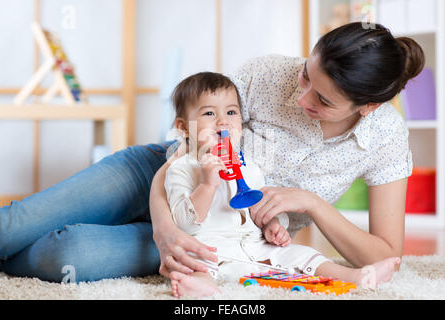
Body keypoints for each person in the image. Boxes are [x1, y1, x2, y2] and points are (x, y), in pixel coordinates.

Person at [0, 22, 423, 284]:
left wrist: (309, 203)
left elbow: (386, 255)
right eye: (305, 76)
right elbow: (182, 148)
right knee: (14, 224)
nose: (301, 96)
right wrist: (163, 229)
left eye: (323, 101)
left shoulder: (384, 137)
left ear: (366, 107)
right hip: (161, 174)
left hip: (221, 236)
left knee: (67, 255)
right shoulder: (267, 73)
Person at [163, 71, 400, 298]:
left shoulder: (249, 166)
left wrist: (272, 226)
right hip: (210, 248)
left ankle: (356, 276)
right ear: (184, 127)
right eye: (209, 114)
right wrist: (206, 186)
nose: (223, 122)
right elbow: (183, 224)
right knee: (193, 262)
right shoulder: (181, 168)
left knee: (302, 254)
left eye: (232, 112)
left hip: (254, 246)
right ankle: (202, 286)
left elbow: (259, 207)